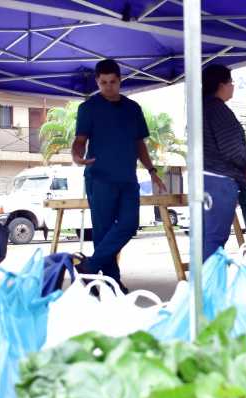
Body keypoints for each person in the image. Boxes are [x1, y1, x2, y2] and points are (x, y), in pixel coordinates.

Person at [72, 59, 166, 289]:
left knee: (129, 224)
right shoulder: (88, 108)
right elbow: (80, 140)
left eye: (112, 82)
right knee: (103, 233)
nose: (108, 87)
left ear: (120, 80)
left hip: (127, 179)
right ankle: (112, 283)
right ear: (97, 81)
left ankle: (91, 267)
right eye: (103, 82)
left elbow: (139, 144)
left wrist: (152, 171)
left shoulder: (133, 109)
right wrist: (76, 155)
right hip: (99, 178)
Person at [202, 64, 246, 257]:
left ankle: (201, 285)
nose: (232, 87)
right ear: (222, 85)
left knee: (204, 237)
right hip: (219, 181)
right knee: (215, 237)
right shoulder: (218, 110)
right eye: (231, 82)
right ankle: (209, 286)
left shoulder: (200, 109)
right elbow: (232, 149)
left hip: (201, 180)